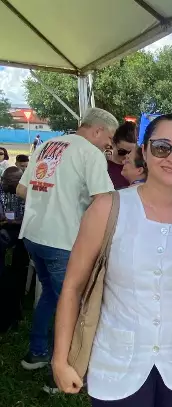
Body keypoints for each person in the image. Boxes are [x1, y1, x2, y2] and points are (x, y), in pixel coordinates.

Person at [52, 113, 172, 407]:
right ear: (145, 150)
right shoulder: (109, 207)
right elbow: (73, 286)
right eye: (163, 147)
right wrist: (61, 359)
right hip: (117, 358)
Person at [16, 107, 117, 372]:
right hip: (62, 240)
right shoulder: (90, 153)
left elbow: (22, 189)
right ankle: (63, 369)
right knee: (72, 304)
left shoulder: (47, 145)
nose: (108, 145)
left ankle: (37, 352)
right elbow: (104, 200)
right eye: (109, 139)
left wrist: (50, 201)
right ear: (98, 130)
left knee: (50, 294)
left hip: (33, 235)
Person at [0, 166, 29, 331]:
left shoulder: (26, 193)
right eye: (4, 180)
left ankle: (16, 305)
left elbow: (28, 218)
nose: (4, 183)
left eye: (8, 181)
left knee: (18, 262)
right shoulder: (1, 189)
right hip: (3, 229)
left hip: (21, 231)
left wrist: (14, 221)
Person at [108, 122, 137, 189]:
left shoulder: (136, 168)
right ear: (113, 144)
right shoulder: (103, 165)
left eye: (130, 152)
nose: (126, 156)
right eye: (122, 152)